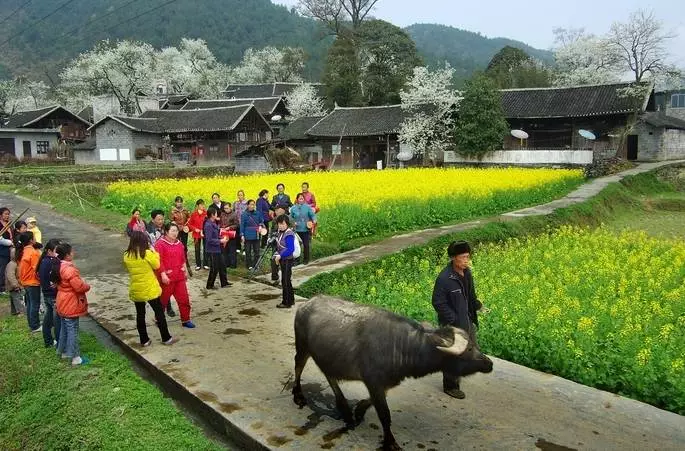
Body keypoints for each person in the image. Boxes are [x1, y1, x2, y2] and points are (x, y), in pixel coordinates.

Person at [431, 240, 486, 399]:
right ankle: (451, 386)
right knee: (453, 355)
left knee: (471, 346)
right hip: (453, 324)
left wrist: (477, 305)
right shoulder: (444, 278)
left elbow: (470, 295)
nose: (466, 260)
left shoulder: (467, 273)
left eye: (468, 256)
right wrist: (453, 319)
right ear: (454, 258)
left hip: (467, 320)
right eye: (463, 257)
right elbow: (438, 302)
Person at [123, 231, 176, 347]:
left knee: (140, 314)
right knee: (159, 313)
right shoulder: (146, 253)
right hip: (149, 288)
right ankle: (166, 338)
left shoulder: (126, 255)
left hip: (136, 288)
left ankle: (144, 340)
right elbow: (157, 265)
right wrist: (154, 252)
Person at [54, 243, 90, 366]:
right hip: (70, 302)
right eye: (72, 252)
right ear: (67, 255)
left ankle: (63, 351)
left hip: (62, 300)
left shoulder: (58, 265)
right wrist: (87, 286)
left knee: (64, 328)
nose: (73, 253)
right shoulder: (69, 269)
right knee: (72, 330)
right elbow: (79, 287)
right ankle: (75, 357)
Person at [155, 223, 195, 329]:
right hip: (167, 278)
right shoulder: (160, 244)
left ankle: (186, 319)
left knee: (184, 299)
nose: (175, 233)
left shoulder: (179, 244)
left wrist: (185, 271)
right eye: (172, 231)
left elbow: (183, 259)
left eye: (176, 231)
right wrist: (163, 274)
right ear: (166, 232)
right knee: (162, 301)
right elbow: (159, 261)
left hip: (179, 277)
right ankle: (158, 319)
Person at [39, 239, 62, 348]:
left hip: (47, 293)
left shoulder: (44, 260)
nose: (58, 253)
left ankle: (48, 340)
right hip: (53, 295)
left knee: (48, 318)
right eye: (56, 251)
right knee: (57, 320)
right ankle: (59, 343)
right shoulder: (52, 262)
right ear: (49, 251)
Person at [17, 232, 41, 332]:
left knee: (30, 304)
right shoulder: (33, 252)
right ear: (31, 240)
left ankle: (32, 324)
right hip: (32, 282)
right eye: (34, 237)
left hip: (25, 281)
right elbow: (37, 270)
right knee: (35, 304)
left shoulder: (23, 251)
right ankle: (35, 326)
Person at [204, 206, 230, 289]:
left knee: (222, 265)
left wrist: (221, 238)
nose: (217, 215)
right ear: (212, 215)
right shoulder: (208, 225)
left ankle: (224, 282)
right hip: (212, 250)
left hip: (218, 249)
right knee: (214, 268)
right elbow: (209, 240)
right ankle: (209, 285)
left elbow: (215, 236)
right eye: (215, 213)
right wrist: (220, 241)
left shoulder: (214, 223)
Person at [273, 214, 295, 308]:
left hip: (287, 260)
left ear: (287, 224)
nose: (281, 226)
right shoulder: (281, 232)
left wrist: (280, 255)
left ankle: (286, 302)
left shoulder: (288, 233)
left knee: (285, 281)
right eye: (279, 224)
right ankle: (291, 300)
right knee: (287, 280)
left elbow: (290, 249)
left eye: (283, 224)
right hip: (283, 259)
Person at [290, 193, 317, 265]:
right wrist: (293, 223)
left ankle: (306, 259)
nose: (301, 200)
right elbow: (291, 217)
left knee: (306, 245)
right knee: (296, 246)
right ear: (297, 199)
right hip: (296, 230)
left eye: (302, 198)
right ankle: (296, 260)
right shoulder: (293, 208)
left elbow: (312, 215)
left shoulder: (308, 207)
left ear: (304, 199)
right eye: (299, 198)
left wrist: (314, 220)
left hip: (305, 229)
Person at [240, 199, 264, 270]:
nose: (252, 206)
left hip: (256, 234)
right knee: (248, 251)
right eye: (250, 204)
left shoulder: (258, 213)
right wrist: (242, 235)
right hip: (247, 234)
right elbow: (242, 225)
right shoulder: (244, 214)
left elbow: (261, 222)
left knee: (257, 251)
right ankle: (249, 265)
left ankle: (256, 265)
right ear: (247, 205)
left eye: (253, 204)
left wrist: (260, 226)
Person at [188, 199, 209, 270]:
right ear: (197, 206)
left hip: (205, 234)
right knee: (197, 249)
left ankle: (206, 264)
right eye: (201, 205)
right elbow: (189, 224)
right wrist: (195, 229)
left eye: (203, 204)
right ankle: (198, 264)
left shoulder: (206, 213)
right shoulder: (193, 214)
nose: (203, 206)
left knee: (206, 248)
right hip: (196, 234)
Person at [220, 202, 239, 269]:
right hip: (224, 234)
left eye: (227, 208)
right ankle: (226, 264)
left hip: (231, 234)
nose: (226, 210)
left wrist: (230, 227)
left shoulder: (234, 214)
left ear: (230, 207)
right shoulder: (222, 214)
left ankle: (233, 264)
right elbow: (220, 223)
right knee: (225, 249)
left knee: (232, 250)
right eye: (224, 208)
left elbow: (237, 224)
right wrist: (221, 227)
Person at [5, 248, 24, 315]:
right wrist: (16, 285)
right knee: (17, 299)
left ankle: (14, 311)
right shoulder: (12, 264)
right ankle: (20, 312)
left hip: (14, 286)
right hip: (14, 286)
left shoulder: (15, 263)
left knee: (14, 299)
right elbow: (11, 276)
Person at [0, 207, 14, 293]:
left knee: (10, 269)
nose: (7, 216)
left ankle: (8, 286)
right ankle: (1, 288)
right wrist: (9, 242)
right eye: (5, 214)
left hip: (10, 250)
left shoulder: (10, 224)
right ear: (0, 215)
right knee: (2, 268)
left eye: (8, 214)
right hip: (2, 250)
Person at [233, 190, 248, 257]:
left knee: (244, 235)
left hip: (244, 222)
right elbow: (233, 211)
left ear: (244, 195)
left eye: (241, 195)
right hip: (237, 222)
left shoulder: (247, 203)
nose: (240, 196)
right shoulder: (235, 203)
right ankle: (238, 247)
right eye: (238, 195)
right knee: (238, 235)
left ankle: (245, 249)